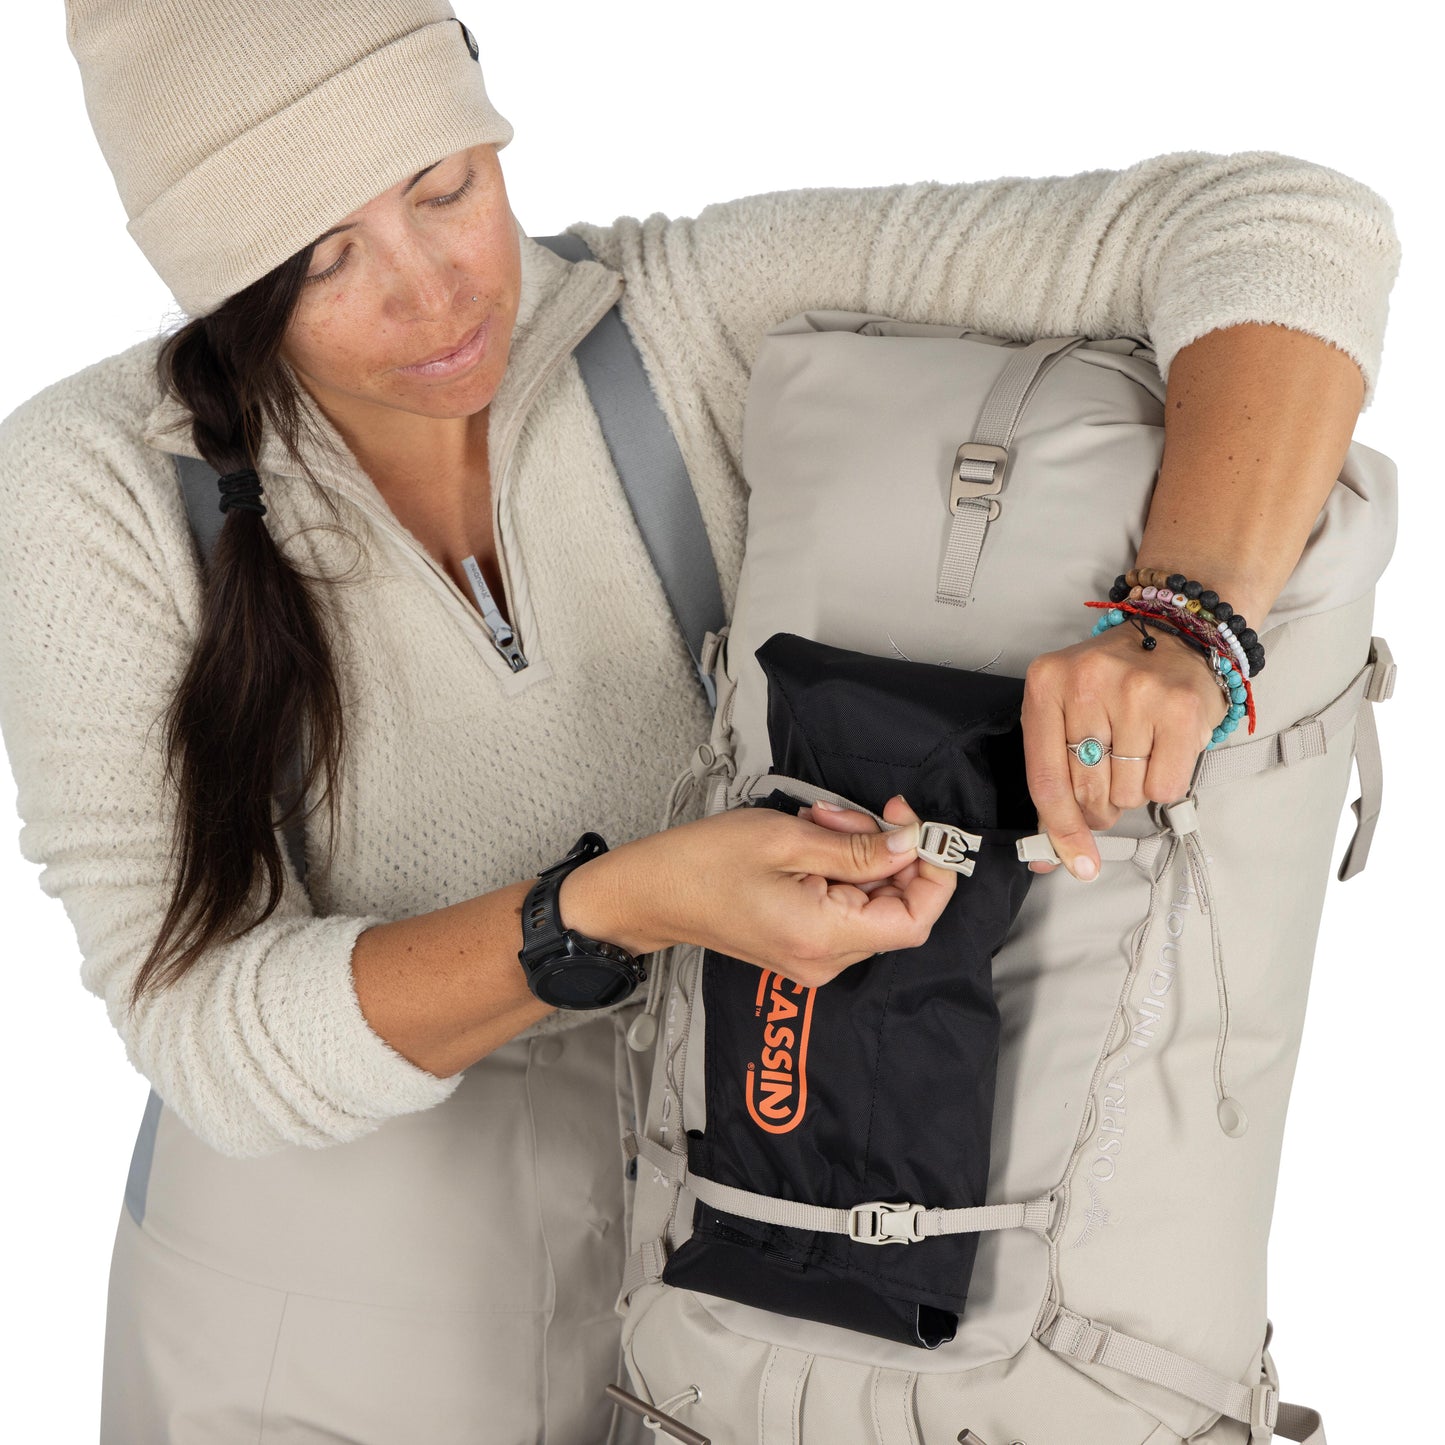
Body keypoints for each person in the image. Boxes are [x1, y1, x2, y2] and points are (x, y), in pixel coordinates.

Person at [0, 3, 1398, 1442]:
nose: (434, 293)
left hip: (717, 1286)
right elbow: (201, 1030)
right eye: (323, 261)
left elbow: (1280, 222)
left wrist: (1186, 614)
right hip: (303, 1328)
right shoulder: (90, 484)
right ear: (219, 285)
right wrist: (621, 906)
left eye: (445, 188)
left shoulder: (682, 316)